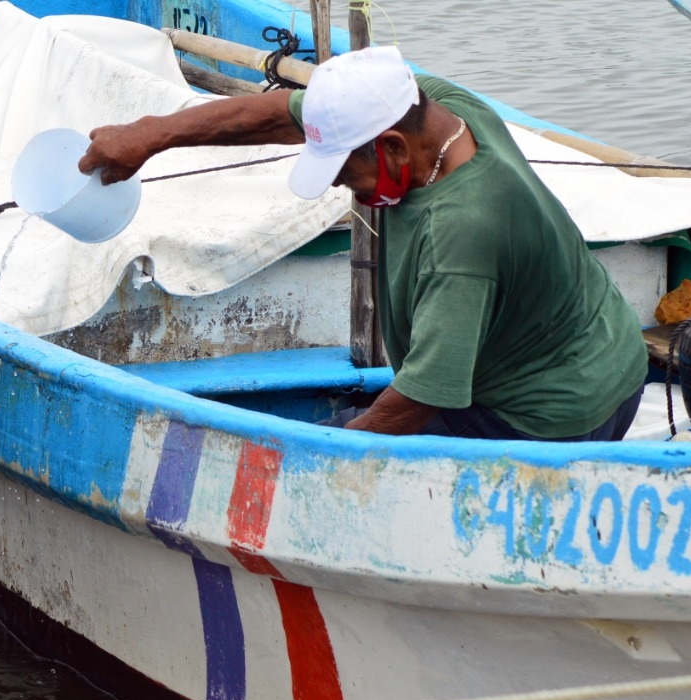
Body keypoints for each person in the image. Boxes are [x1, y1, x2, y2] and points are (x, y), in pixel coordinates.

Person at [78, 46, 648, 440]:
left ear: (395, 148)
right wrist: (152, 134)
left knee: (329, 443)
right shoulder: (438, 108)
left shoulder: (461, 233)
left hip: (554, 417)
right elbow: (279, 114)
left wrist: (326, 455)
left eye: (347, 172)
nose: (341, 183)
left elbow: (425, 390)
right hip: (607, 352)